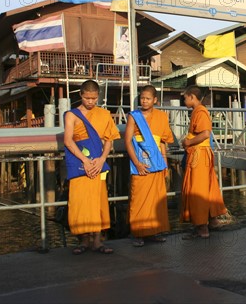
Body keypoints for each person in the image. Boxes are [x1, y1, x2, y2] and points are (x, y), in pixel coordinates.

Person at [63, 80, 120, 255]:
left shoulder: (104, 114)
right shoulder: (71, 115)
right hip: (80, 163)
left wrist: (102, 159)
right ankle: (83, 241)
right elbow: (68, 140)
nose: (90, 102)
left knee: (98, 203)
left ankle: (97, 242)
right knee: (80, 204)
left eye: (94, 98)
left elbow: (109, 139)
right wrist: (85, 161)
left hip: (98, 163)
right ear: (80, 95)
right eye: (87, 98)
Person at [125, 85, 174, 247]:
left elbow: (162, 143)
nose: (144, 101)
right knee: (139, 199)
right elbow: (127, 142)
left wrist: (165, 164)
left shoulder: (162, 116)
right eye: (142, 98)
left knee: (156, 200)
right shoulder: (134, 116)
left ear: (155, 100)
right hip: (141, 163)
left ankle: (154, 232)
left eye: (147, 98)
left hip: (157, 163)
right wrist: (137, 163)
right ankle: (138, 233)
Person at [180, 85, 228, 239]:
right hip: (202, 154)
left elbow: (205, 133)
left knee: (197, 190)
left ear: (192, 97)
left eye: (185, 98)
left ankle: (202, 228)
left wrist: (188, 142)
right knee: (208, 188)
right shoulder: (199, 111)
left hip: (199, 155)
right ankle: (212, 220)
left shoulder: (200, 111)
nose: (184, 100)